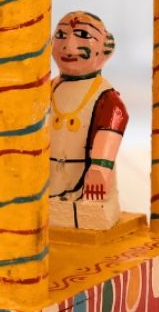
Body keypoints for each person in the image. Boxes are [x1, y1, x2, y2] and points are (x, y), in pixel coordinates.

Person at [49, 11, 128, 205]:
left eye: (83, 35)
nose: (68, 46)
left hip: (85, 185)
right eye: (61, 35)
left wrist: (99, 167)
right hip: (46, 181)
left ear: (106, 48)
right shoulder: (47, 89)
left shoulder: (106, 97)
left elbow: (112, 125)